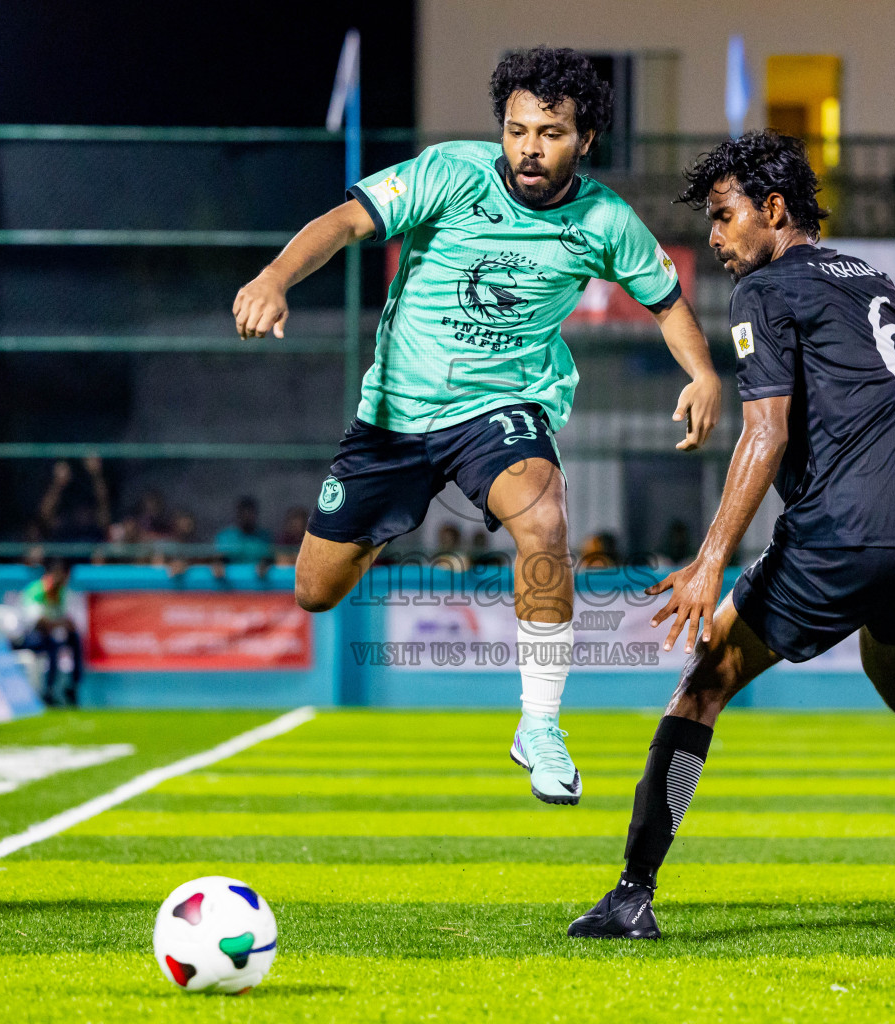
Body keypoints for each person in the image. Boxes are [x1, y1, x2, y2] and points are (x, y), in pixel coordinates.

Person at [568, 130, 895, 940]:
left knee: (705, 679)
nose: (715, 238)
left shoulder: (765, 291)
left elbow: (766, 433)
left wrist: (709, 561)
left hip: (842, 528)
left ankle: (631, 895)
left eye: (723, 217)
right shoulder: (870, 278)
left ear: (774, 209)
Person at [232, 47, 721, 805]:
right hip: (393, 419)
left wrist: (703, 373)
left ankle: (541, 722)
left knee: (545, 517)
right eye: (517, 128)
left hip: (501, 410)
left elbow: (665, 301)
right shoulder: (449, 172)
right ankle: (390, 518)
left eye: (551, 132)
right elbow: (343, 221)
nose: (529, 146)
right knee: (315, 591)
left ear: (584, 140)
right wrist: (272, 278)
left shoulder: (604, 221)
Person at [15, 557, 83, 707]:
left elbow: (68, 622)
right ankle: (49, 692)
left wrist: (61, 624)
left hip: (50, 634)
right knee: (53, 645)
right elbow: (40, 623)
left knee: (75, 640)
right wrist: (59, 623)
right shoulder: (36, 591)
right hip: (27, 637)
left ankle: (72, 688)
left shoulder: (61, 593)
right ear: (56, 574)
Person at [38, 456, 111, 543]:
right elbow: (44, 515)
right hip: (62, 537)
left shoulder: (92, 478)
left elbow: (105, 515)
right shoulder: (56, 464)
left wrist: (96, 475)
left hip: (91, 537)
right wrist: (57, 485)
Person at [215, 496, 274, 563]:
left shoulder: (264, 537)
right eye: (244, 514)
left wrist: (265, 563)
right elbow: (219, 558)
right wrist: (219, 564)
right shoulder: (225, 537)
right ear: (238, 514)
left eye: (250, 514)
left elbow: (270, 558)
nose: (247, 517)